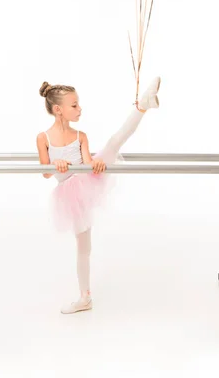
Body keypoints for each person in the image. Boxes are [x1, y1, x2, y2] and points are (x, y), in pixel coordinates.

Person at [36, 77, 161, 314]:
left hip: (85, 182)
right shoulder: (43, 137)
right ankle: (85, 297)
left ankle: (143, 105)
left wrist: (96, 166)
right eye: (74, 105)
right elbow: (44, 172)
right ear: (58, 110)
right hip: (70, 195)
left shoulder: (80, 135)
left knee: (114, 143)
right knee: (84, 246)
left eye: (78, 103)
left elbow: (88, 162)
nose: (79, 108)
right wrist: (56, 164)